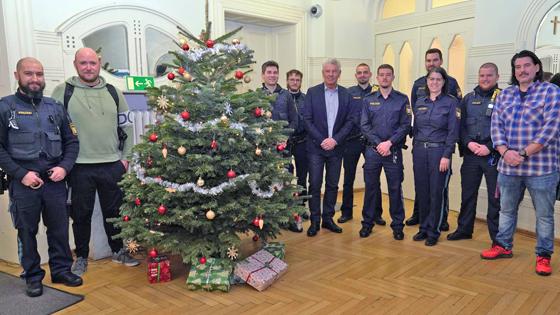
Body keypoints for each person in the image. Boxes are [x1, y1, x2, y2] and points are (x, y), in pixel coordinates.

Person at [51, 47, 138, 276]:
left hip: (112, 164)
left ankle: (119, 251)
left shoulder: (114, 92)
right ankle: (80, 257)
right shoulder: (63, 91)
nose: (88, 67)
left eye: (92, 63)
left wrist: (126, 160)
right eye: (83, 63)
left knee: (115, 212)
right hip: (78, 166)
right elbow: (53, 129)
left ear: (99, 63)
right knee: (81, 214)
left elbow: (127, 126)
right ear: (75, 65)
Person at [0, 57, 82, 297]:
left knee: (58, 229)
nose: (35, 79)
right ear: (17, 76)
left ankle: (61, 270)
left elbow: (72, 142)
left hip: (54, 181)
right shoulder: (5, 107)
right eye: (29, 74)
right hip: (24, 184)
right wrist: (20, 174)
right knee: (26, 231)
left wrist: (64, 168)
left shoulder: (55, 107)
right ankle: (33, 276)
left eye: (39, 74)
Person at [481, 50, 560, 276]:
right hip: (508, 166)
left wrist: (523, 153)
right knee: (506, 210)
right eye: (517, 67)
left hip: (541, 168)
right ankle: (503, 246)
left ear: (536, 67)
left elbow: (551, 129)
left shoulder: (551, 92)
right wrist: (505, 152)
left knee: (544, 215)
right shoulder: (505, 95)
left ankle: (543, 255)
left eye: (527, 65)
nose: (522, 70)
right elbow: (496, 126)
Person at [407, 48, 462, 229]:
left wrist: (447, 152)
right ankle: (421, 218)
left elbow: (455, 120)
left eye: (435, 60)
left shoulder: (452, 85)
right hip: (422, 145)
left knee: (438, 188)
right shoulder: (418, 85)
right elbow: (416, 111)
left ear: (441, 61)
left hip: (440, 146)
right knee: (422, 186)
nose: (431, 63)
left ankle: (440, 220)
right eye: (428, 60)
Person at [448, 63, 501, 244]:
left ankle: (497, 238)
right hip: (471, 155)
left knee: (496, 199)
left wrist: (490, 146)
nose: (485, 79)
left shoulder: (504, 98)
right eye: (482, 75)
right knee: (468, 194)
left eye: (489, 75)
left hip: (493, 156)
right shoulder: (468, 99)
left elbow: (507, 128)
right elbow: (459, 126)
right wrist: (469, 143)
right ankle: (464, 229)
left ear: (497, 77)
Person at [304, 58, 355, 237]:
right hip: (316, 149)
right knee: (315, 185)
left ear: (339, 74)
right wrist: (322, 140)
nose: (331, 74)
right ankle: (314, 221)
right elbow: (307, 120)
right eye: (328, 71)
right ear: (323, 73)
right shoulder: (312, 92)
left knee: (332, 185)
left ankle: (328, 219)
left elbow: (350, 121)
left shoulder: (346, 95)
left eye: (334, 71)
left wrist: (335, 140)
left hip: (336, 148)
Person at [360, 64, 411, 239]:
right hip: (373, 151)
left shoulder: (402, 99)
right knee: (371, 188)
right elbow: (364, 125)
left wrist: (389, 143)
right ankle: (367, 223)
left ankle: (397, 226)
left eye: (388, 75)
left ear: (393, 77)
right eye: (381, 75)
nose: (384, 78)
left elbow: (405, 125)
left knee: (395, 188)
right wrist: (379, 144)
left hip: (393, 151)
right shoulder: (368, 99)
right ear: (377, 77)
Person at [341, 63, 385, 226]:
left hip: (371, 142)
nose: (362, 75)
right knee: (348, 178)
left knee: (373, 179)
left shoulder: (377, 92)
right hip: (351, 141)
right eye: (359, 73)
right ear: (356, 75)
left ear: (370, 74)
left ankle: (376, 214)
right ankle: (346, 212)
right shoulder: (348, 92)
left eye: (365, 72)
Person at [286, 69, 308, 202]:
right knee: (286, 174)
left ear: (300, 82)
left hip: (302, 141)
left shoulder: (306, 98)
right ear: (287, 81)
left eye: (297, 80)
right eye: (292, 80)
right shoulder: (281, 97)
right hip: (285, 142)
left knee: (302, 175)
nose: (294, 82)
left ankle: (301, 205)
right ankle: (287, 205)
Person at [261, 61, 297, 131]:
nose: (272, 75)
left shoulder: (286, 95)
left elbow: (294, 120)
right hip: (262, 140)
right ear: (262, 75)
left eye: (275, 72)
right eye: (269, 72)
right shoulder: (257, 95)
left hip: (283, 140)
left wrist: (286, 137)